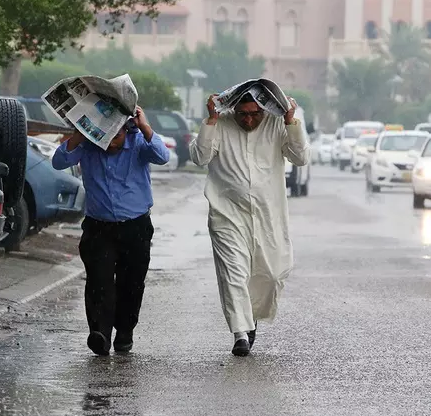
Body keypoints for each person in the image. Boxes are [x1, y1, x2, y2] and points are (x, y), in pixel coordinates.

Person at [189, 91, 309, 356]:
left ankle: (250, 316)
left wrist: (290, 120)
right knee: (234, 273)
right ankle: (240, 333)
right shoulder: (220, 123)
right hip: (227, 214)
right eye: (243, 114)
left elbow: (300, 158)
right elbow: (200, 157)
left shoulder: (277, 124)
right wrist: (210, 119)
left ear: (265, 111)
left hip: (268, 215)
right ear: (234, 110)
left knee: (273, 273)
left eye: (255, 114)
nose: (249, 119)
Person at [52, 106, 170, 356]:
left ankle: (125, 331)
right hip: (98, 228)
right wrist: (79, 134)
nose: (109, 143)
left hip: (135, 227)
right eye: (104, 137)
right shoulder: (87, 145)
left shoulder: (138, 141)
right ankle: (100, 334)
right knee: (99, 281)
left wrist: (146, 126)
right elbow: (59, 161)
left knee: (132, 283)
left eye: (115, 137)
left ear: (126, 130)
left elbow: (162, 156)